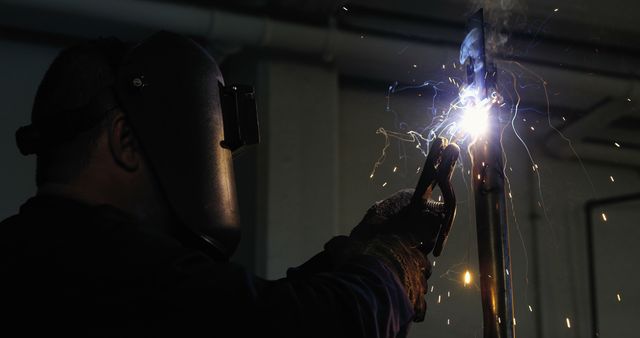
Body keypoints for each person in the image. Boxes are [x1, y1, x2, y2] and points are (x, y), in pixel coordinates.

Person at [1, 31, 459, 338]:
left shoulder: (36, 257)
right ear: (125, 140)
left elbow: (250, 309)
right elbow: (302, 328)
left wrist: (353, 252)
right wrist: (388, 271)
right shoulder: (111, 267)